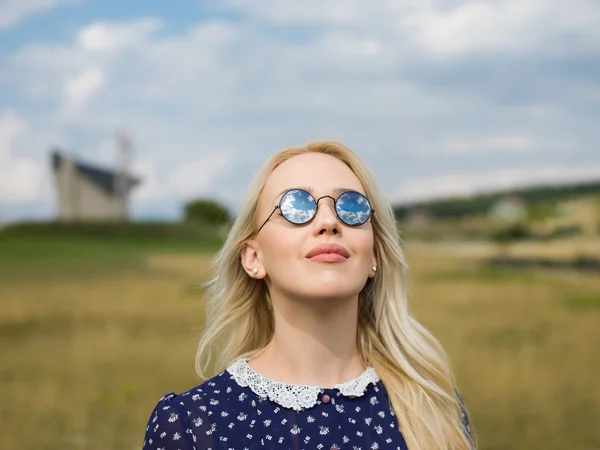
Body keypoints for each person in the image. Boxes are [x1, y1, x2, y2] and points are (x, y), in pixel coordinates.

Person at [142, 141, 474, 450]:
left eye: (352, 207)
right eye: (296, 206)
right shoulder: (190, 426)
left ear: (373, 257)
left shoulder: (434, 408)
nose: (329, 221)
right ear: (253, 258)